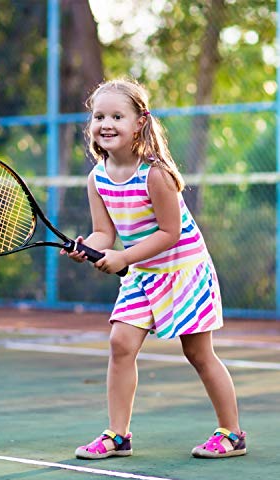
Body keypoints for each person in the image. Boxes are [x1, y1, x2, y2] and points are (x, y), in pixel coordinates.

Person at [62, 78, 246, 459]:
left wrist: (123, 258)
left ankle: (232, 433)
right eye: (99, 116)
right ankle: (118, 435)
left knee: (198, 353)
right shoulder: (96, 179)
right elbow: (103, 233)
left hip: (184, 271)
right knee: (120, 343)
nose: (106, 123)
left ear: (139, 123)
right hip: (143, 276)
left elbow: (170, 233)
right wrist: (87, 247)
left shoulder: (156, 175)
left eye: (117, 115)